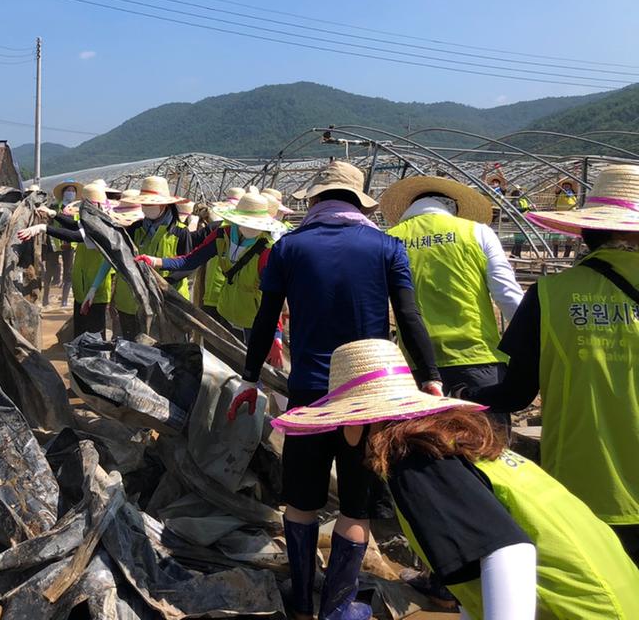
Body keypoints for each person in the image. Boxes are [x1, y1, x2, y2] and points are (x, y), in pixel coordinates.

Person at [274, 339, 639, 619]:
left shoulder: (416, 463)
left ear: (359, 421)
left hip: (586, 608)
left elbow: (508, 551)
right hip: (613, 589)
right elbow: (481, 569)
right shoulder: (446, 443)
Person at [231, 160, 442, 620]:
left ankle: (301, 603)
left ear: (315, 201)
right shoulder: (388, 246)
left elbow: (266, 320)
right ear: (359, 201)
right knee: (355, 507)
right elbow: (409, 317)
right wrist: (431, 377)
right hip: (369, 394)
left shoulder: (290, 248)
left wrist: (249, 378)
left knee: (301, 503)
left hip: (309, 392)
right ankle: (340, 606)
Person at [458, 164, 639, 566]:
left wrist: (463, 396)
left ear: (588, 230)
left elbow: (517, 393)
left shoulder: (551, 294)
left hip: (588, 483)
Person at [380, 175, 523, 404]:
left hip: (418, 367)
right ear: (453, 207)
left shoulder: (390, 239)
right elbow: (506, 293)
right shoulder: (476, 232)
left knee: (424, 439)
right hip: (478, 358)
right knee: (486, 438)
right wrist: (538, 342)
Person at [138, 191, 283, 351]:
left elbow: (273, 295)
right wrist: (155, 261)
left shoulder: (267, 250)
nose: (253, 228)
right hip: (226, 311)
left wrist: (276, 333)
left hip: (254, 319)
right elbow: (190, 260)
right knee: (223, 359)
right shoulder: (222, 236)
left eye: (257, 224)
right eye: (248, 223)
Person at [92, 176, 212, 341]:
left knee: (166, 351)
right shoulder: (135, 229)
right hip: (132, 302)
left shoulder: (180, 233)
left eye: (151, 204)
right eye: (145, 204)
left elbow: (187, 267)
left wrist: (161, 284)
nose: (147, 208)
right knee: (133, 350)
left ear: (164, 205)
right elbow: (116, 257)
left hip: (167, 303)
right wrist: (94, 288)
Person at [17, 182, 140, 338]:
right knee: (81, 332)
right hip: (83, 286)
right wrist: (54, 214)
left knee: (96, 335)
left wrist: (43, 228)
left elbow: (77, 236)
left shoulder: (105, 226)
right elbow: (77, 226)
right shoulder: (91, 222)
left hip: (97, 288)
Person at [52, 180, 80, 306]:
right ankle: (46, 296)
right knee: (51, 269)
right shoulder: (55, 206)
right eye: (69, 190)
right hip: (57, 241)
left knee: (68, 271)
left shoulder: (78, 208)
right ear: (63, 192)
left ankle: (64, 300)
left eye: (73, 191)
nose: (71, 193)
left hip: (71, 242)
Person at [510, 188, 532, 258]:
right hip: (517, 222)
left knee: (521, 239)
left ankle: (514, 253)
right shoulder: (514, 201)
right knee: (518, 239)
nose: (520, 192)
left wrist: (529, 208)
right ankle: (516, 254)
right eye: (518, 191)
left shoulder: (523, 200)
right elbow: (517, 210)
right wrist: (527, 208)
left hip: (524, 222)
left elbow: (526, 209)